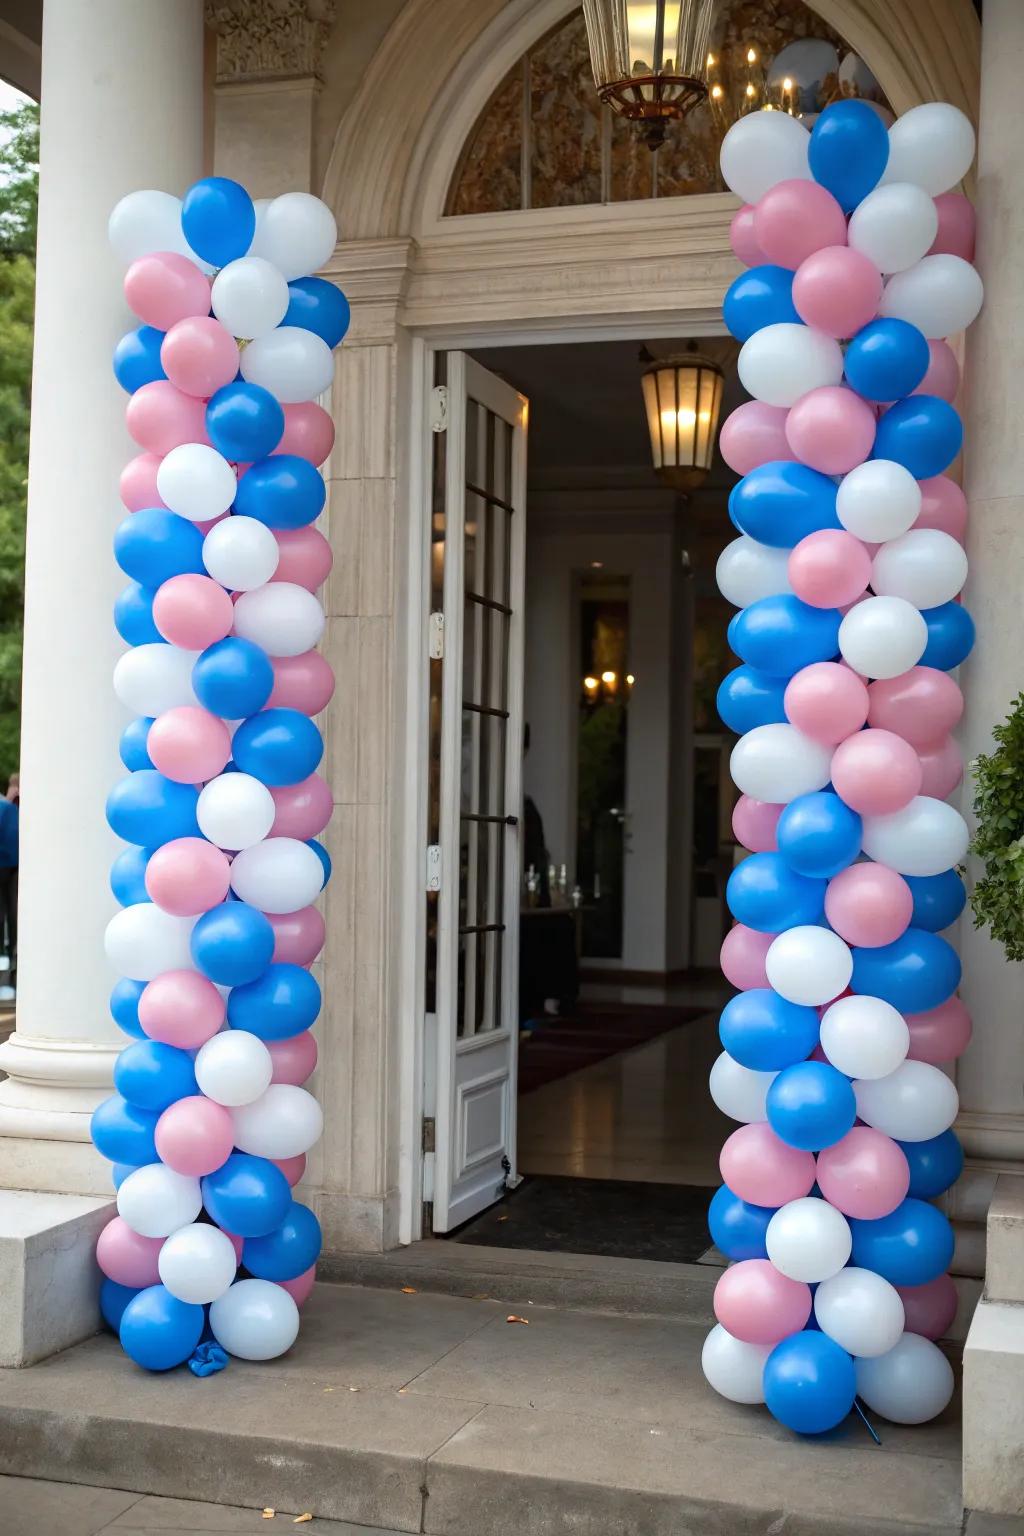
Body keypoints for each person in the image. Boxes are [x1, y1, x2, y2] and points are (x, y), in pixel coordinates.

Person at [0, 775, 19, 1001]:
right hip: (15, 870)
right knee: (14, 920)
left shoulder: (5, 807)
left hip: (6, 867)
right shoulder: (10, 809)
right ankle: (14, 975)